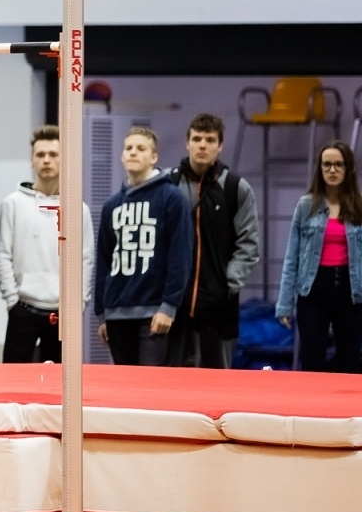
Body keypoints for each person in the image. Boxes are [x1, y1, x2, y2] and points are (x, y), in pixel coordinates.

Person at [166, 113, 260, 369]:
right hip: (175, 302)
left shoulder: (235, 187)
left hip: (219, 304)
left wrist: (228, 284)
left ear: (220, 145)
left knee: (218, 380)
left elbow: (249, 245)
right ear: (187, 143)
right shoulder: (168, 184)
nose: (202, 145)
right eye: (197, 139)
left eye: (210, 140)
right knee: (171, 379)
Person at [0, 125, 94, 364]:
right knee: (13, 382)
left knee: (59, 387)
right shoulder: (13, 203)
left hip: (62, 312)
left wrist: (78, 304)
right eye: (40, 155)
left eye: (53, 155)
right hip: (23, 307)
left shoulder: (78, 209)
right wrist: (12, 300)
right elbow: (2, 255)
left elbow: (85, 259)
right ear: (32, 160)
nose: (46, 160)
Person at [95, 126, 192, 367]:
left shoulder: (172, 198)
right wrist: (102, 313)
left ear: (154, 157)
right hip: (117, 313)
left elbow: (180, 256)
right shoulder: (111, 206)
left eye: (141, 148)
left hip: (153, 313)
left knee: (149, 388)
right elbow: (104, 260)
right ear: (121, 156)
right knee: (123, 389)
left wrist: (169, 307)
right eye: (128, 148)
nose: (133, 153)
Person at [275, 141, 362, 373]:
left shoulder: (358, 207)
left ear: (348, 169)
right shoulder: (306, 206)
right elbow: (291, 256)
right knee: (312, 361)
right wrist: (284, 303)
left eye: (338, 165)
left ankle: (350, 409)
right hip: (313, 291)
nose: (332, 170)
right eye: (327, 165)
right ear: (320, 169)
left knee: (351, 361)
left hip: (351, 292)